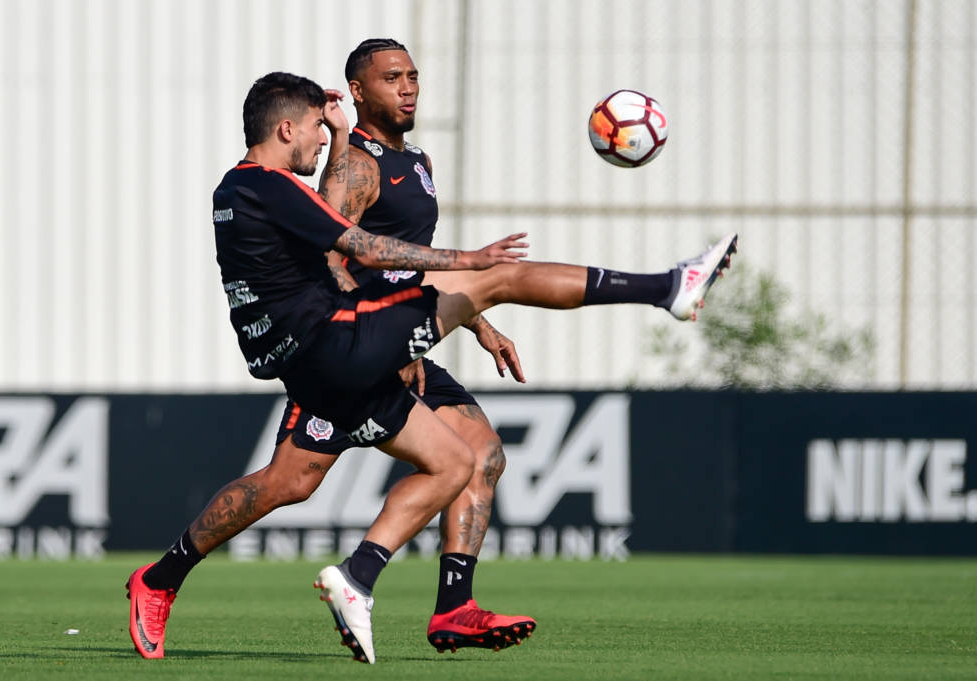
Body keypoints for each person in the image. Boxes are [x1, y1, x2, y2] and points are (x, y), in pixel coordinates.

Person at [126, 70, 736, 665]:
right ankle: (668, 288)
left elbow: (330, 237)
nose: (320, 135)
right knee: (497, 276)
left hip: (320, 360)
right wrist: (468, 260)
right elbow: (360, 247)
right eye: (314, 126)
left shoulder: (239, 191)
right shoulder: (270, 184)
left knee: (455, 462)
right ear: (286, 129)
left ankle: (341, 579)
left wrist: (338, 134)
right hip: (339, 343)